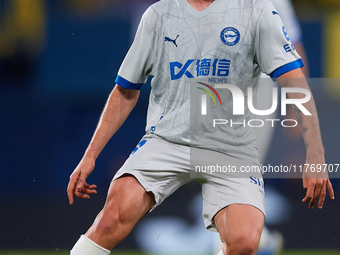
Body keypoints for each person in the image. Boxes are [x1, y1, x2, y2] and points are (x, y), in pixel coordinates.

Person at [67, 0, 335, 254]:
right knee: (110, 220)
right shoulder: (158, 16)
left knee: (243, 243)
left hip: (231, 147)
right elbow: (125, 90)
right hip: (166, 141)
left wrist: (316, 155)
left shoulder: (257, 11)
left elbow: (295, 83)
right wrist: (89, 155)